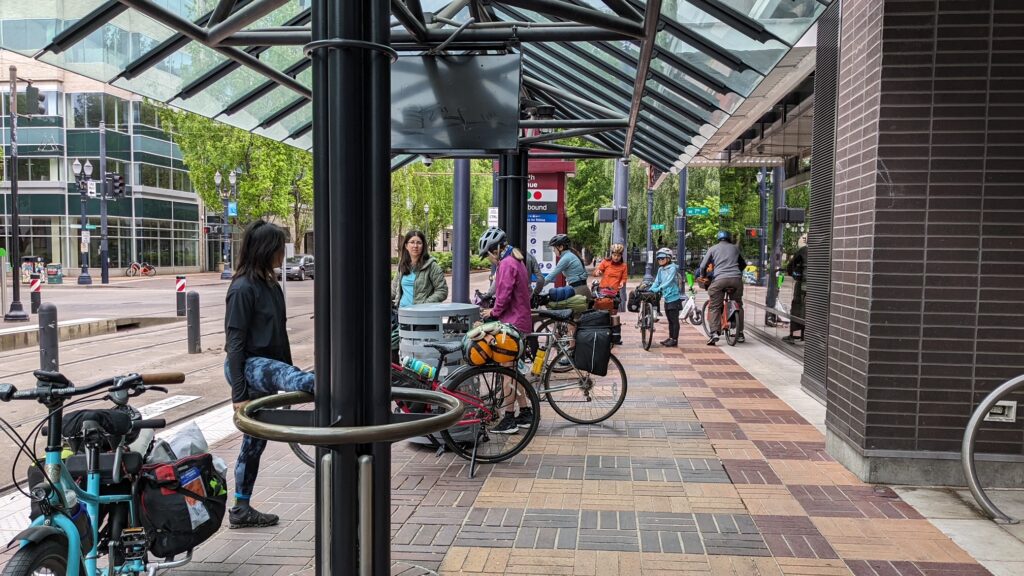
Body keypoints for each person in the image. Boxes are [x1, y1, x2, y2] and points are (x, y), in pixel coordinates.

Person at [224, 220, 314, 528]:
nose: (283, 254)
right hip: (247, 365)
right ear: (267, 250)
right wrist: (238, 395)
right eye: (279, 247)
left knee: (255, 441)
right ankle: (326, 383)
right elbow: (234, 345)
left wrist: (289, 383)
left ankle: (240, 509)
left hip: (271, 366)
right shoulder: (242, 289)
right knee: (306, 380)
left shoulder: (271, 285)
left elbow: (280, 339)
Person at [477, 227, 534, 434]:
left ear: (495, 250)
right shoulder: (515, 259)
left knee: (507, 372)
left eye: (488, 256)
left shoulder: (506, 264)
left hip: (513, 323)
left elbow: (503, 296)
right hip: (521, 321)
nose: (489, 261)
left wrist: (492, 313)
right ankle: (526, 412)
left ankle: (509, 418)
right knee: (514, 370)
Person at [699, 230, 747, 346]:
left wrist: (703, 276)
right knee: (738, 304)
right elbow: (743, 264)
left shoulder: (713, 248)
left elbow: (702, 266)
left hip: (720, 280)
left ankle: (714, 333)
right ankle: (740, 333)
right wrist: (736, 272)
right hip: (736, 280)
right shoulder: (735, 248)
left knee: (715, 306)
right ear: (729, 238)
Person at [391, 230, 448, 308]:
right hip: (402, 313)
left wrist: (424, 305)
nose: (415, 246)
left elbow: (442, 291)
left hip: (422, 315)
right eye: (412, 242)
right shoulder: (402, 264)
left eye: (419, 243)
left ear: (423, 246)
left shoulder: (432, 266)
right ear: (406, 246)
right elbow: (394, 290)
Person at [649, 248, 683, 347]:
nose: (660, 260)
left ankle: (674, 339)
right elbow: (657, 281)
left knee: (674, 320)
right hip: (667, 298)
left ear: (668, 258)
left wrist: (659, 288)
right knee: (669, 319)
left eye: (662, 258)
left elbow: (668, 281)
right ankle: (670, 337)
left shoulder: (672, 268)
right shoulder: (660, 269)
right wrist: (652, 288)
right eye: (658, 258)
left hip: (674, 297)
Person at [545, 234, 591, 299]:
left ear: (561, 247)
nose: (553, 250)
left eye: (554, 248)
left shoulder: (566, 258)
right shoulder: (570, 255)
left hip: (579, 291)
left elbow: (551, 276)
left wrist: (537, 288)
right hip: (581, 289)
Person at [783, 236, 807, 343]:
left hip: (804, 283)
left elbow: (791, 265)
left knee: (797, 305)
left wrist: (793, 273)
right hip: (821, 285)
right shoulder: (826, 250)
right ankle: (806, 334)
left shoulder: (804, 250)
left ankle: (795, 334)